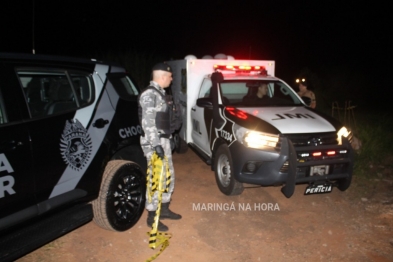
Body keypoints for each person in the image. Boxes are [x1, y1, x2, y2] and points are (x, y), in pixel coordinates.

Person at [139, 62, 182, 232]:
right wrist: (156, 144)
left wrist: (169, 138)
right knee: (156, 180)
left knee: (167, 177)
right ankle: (152, 217)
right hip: (154, 143)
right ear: (163, 76)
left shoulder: (161, 94)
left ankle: (164, 210)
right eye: (170, 77)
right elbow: (147, 123)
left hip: (163, 141)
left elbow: (163, 120)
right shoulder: (150, 95)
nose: (171, 80)